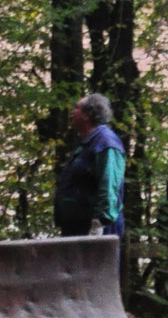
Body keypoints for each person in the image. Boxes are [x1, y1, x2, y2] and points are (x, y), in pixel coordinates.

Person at [54, 93, 126, 241]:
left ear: (88, 114)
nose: (72, 112)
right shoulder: (87, 143)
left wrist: (99, 223)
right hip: (77, 228)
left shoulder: (106, 142)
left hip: (97, 230)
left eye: (76, 108)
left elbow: (109, 183)